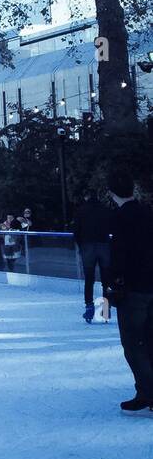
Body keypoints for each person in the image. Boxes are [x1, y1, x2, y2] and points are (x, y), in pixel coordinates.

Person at [102, 168, 153, 414]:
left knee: (134, 343)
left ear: (111, 193)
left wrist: (113, 281)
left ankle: (147, 393)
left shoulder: (119, 219)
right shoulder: (148, 213)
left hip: (134, 289)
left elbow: (119, 256)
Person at [71, 192, 114, 324]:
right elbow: (112, 227)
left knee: (89, 279)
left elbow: (76, 231)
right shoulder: (105, 210)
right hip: (104, 246)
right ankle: (106, 310)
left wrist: (81, 246)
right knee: (106, 280)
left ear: (87, 197)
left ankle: (89, 307)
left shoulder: (81, 211)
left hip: (88, 247)